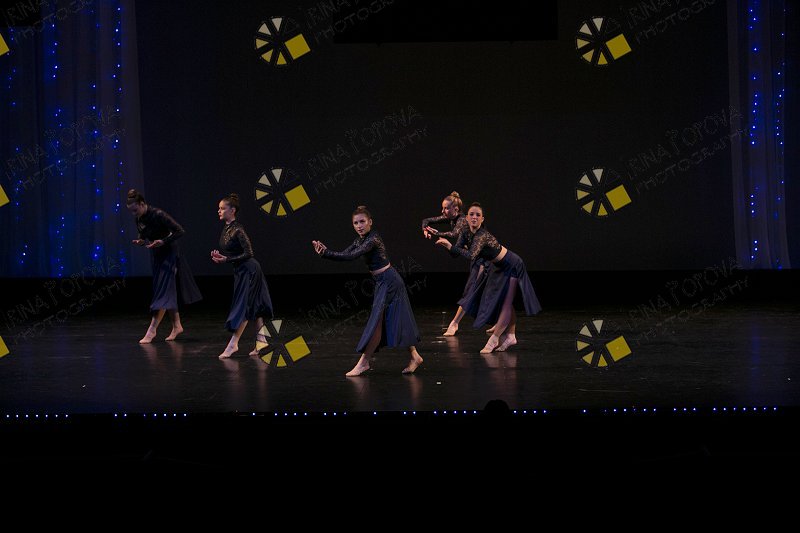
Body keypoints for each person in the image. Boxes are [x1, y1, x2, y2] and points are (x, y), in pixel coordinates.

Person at [313, 206, 423, 376]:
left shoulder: (373, 239)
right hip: (383, 282)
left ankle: (364, 363)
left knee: (377, 322)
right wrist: (325, 253)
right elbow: (344, 254)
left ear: (370, 222)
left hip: (390, 281)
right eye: (355, 223)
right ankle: (415, 356)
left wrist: (327, 253)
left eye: (362, 222)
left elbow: (352, 255)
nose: (359, 226)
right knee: (395, 319)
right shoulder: (360, 240)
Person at [436, 202, 541, 353]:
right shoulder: (465, 232)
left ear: (482, 219)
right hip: (497, 267)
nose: (474, 217)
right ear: (466, 218)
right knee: (502, 301)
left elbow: (471, 255)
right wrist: (447, 246)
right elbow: (455, 253)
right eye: (471, 214)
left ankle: (494, 340)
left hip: (512, 264)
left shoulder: (482, 235)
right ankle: (511, 336)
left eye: (478, 215)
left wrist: (450, 246)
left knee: (506, 302)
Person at [127, 189, 202, 344]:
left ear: (142, 204)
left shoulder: (158, 214)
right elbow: (143, 233)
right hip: (157, 254)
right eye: (132, 211)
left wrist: (163, 241)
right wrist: (141, 240)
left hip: (170, 253)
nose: (134, 214)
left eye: (135, 210)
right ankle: (177, 325)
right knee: (165, 290)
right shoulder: (139, 218)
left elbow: (179, 231)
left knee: (163, 290)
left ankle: (152, 330)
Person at [211, 193, 274, 359]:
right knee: (254, 306)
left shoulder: (238, 229)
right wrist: (222, 258)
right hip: (241, 271)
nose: (219, 211)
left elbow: (249, 253)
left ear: (232, 210)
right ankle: (262, 341)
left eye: (222, 208)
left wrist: (227, 259)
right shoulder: (227, 228)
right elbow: (233, 252)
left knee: (244, 307)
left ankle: (233, 344)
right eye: (219, 208)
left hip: (250, 270)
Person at [421, 191, 488, 336]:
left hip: (484, 259)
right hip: (476, 259)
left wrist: (437, 233)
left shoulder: (462, 220)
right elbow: (427, 220)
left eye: (446, 208)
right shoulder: (451, 218)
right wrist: (425, 230)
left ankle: (454, 323)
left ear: (455, 209)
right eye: (443, 208)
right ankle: (502, 324)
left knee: (471, 291)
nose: (442, 211)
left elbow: (454, 234)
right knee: (486, 291)